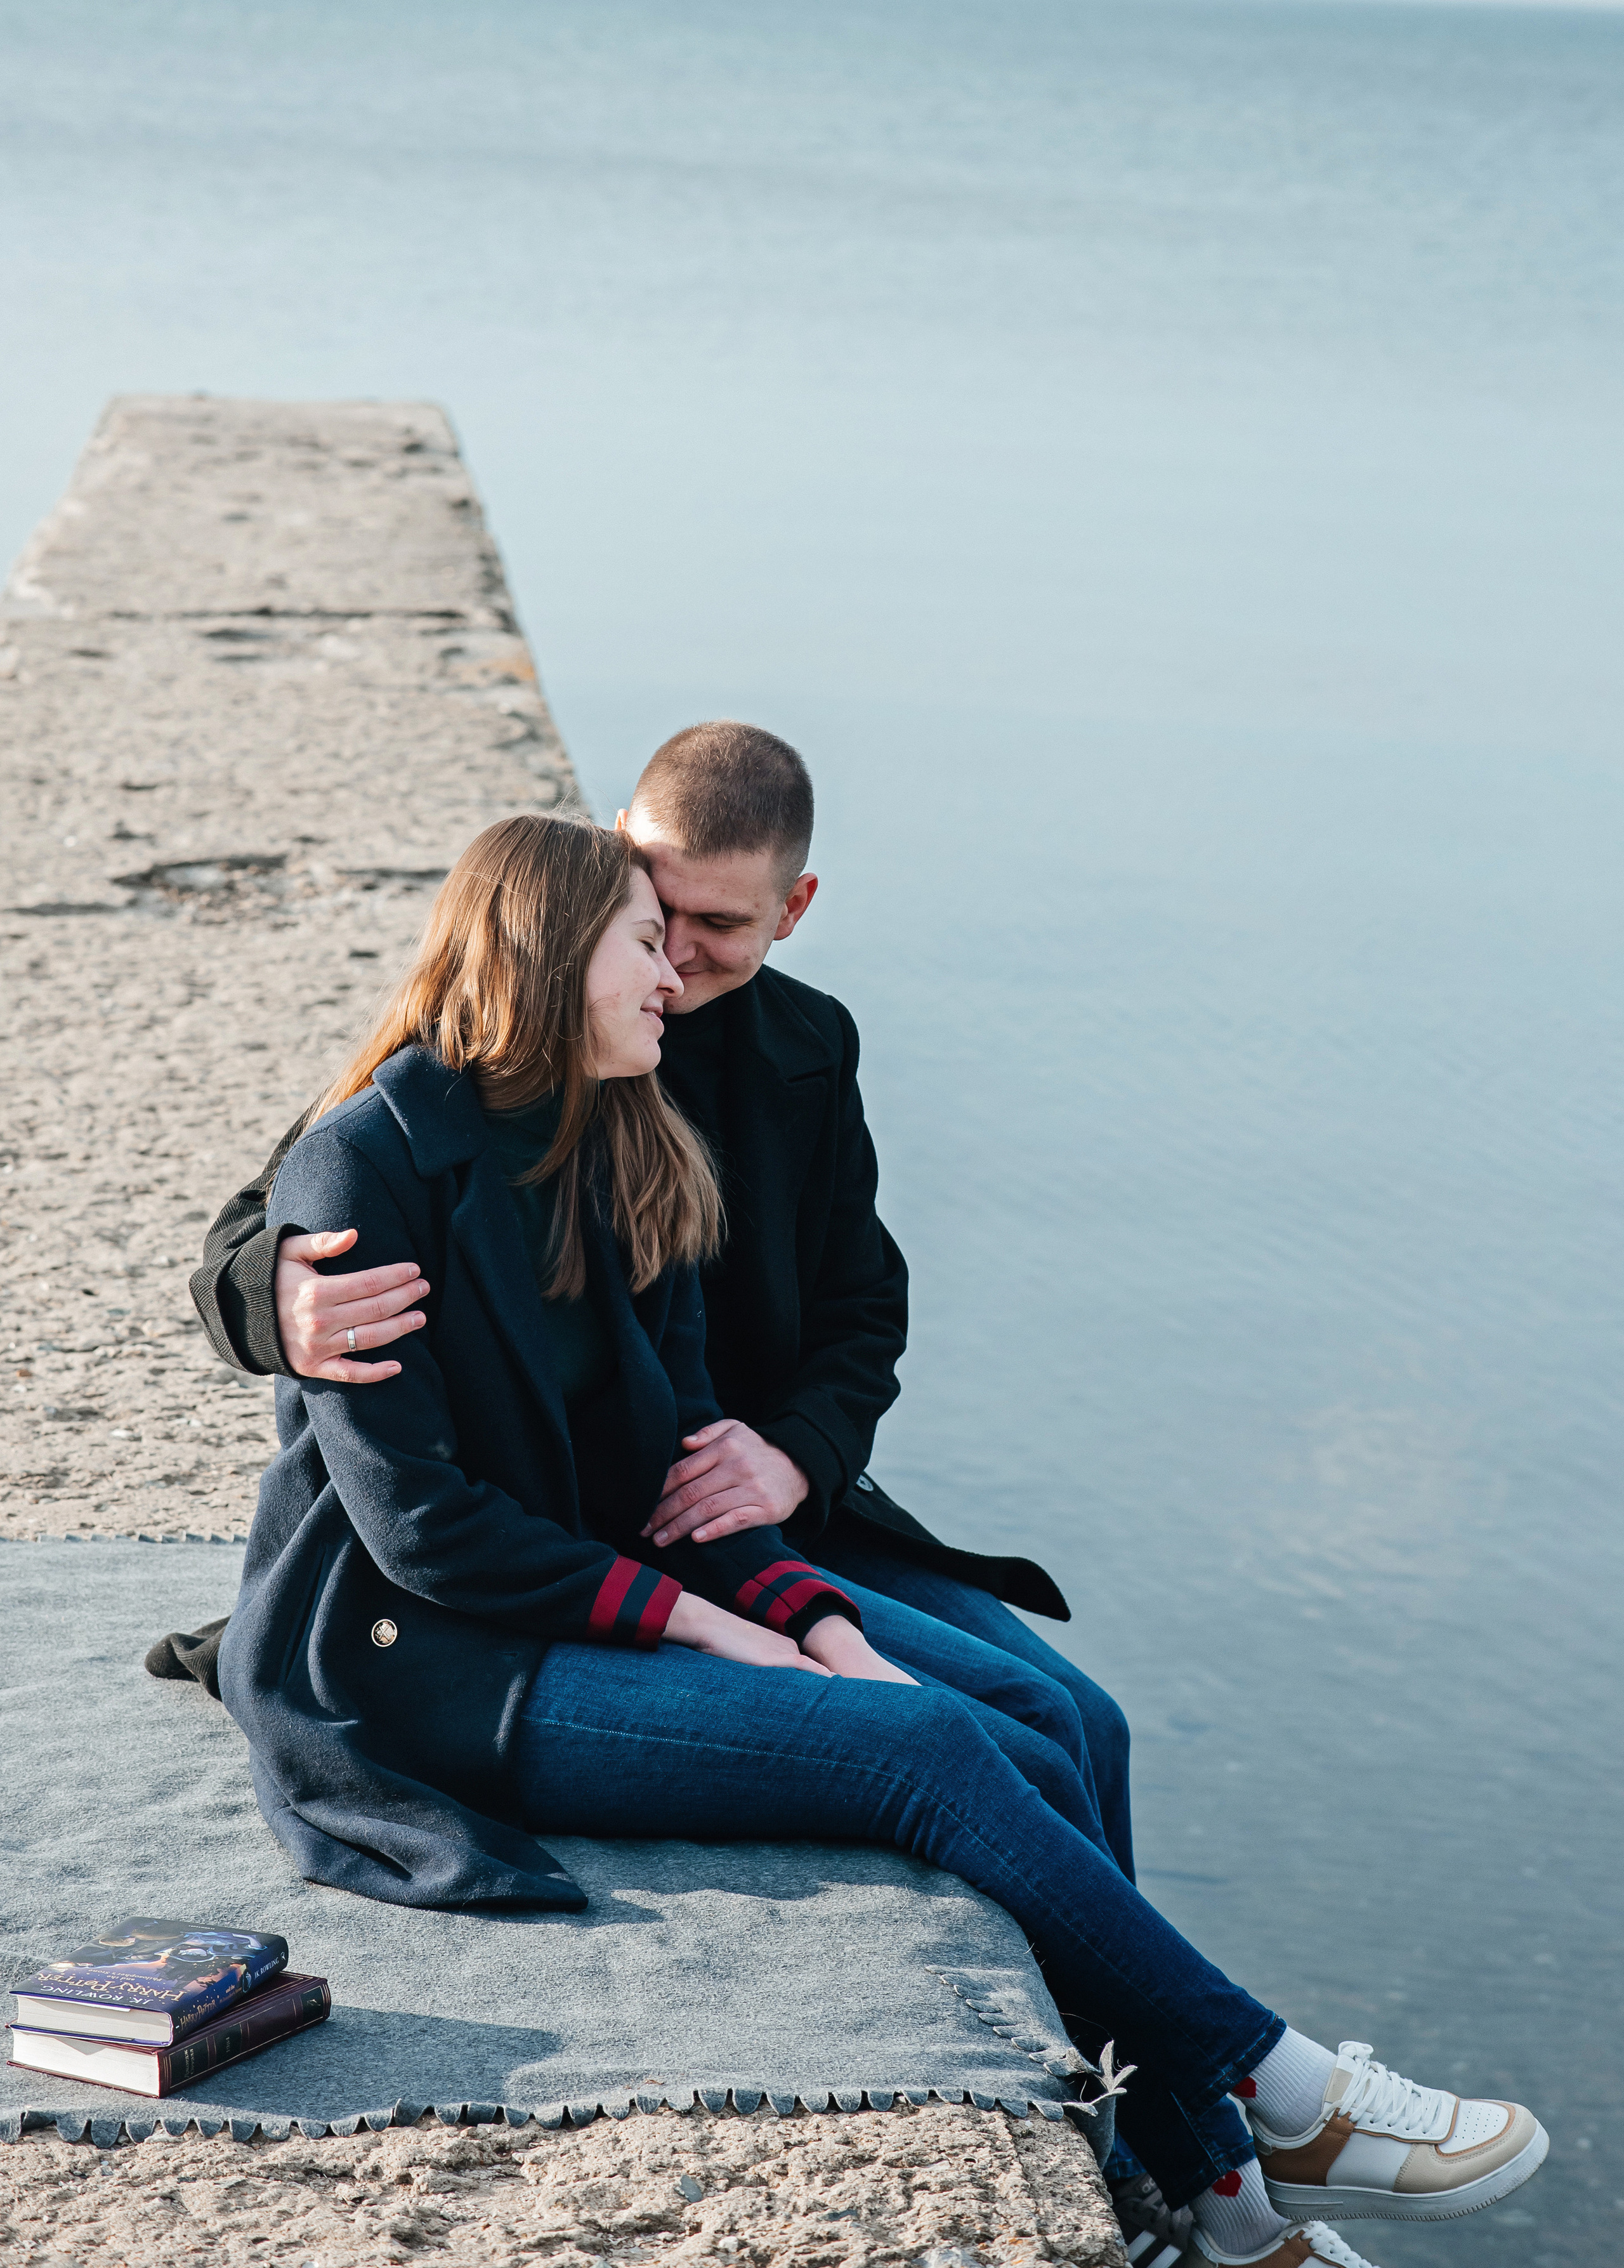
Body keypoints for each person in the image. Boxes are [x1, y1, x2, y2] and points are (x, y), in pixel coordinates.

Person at [219, 813, 1545, 2268]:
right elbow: (421, 1531)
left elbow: (682, 1459)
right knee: (921, 1753)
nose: (671, 978)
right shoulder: (369, 1167)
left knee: (1032, 1735)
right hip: (433, 1668)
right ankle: (1274, 2090)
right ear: (545, 953)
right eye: (645, 945)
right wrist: (732, 1633)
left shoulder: (626, 1145)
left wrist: (826, 1627)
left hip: (594, 1601)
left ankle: (1204, 2195)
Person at [187, 722, 1133, 1879]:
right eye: (652, 912)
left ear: (794, 911)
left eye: (720, 927)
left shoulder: (809, 1046)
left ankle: (1116, 2062)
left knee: (1088, 1722)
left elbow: (862, 1305)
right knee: (976, 1738)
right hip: (586, 1518)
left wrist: (793, 1455)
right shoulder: (534, 1030)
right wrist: (270, 1295)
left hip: (754, 1509)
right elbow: (296, 1195)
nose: (675, 959)